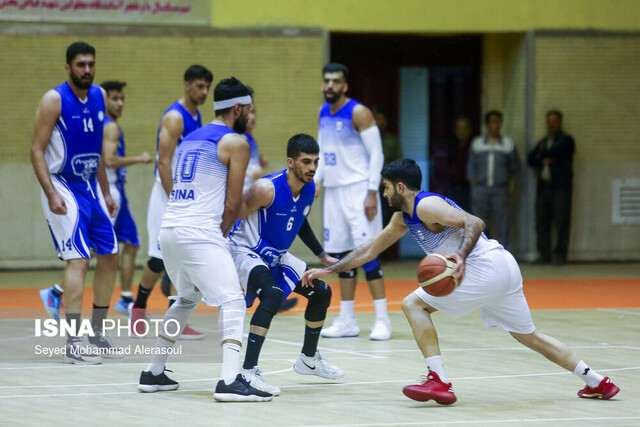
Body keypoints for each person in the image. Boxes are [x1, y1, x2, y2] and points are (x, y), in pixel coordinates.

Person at [303, 158, 620, 404]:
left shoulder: (426, 205)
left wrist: (461, 256)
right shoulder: (403, 218)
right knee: (531, 337)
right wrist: (329, 269)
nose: (383, 194)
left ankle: (438, 379)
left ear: (400, 187)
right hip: (503, 268)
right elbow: (371, 249)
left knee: (413, 304)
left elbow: (475, 222)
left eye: (385, 188)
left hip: (483, 265)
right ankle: (598, 382)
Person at [137, 77, 272, 402]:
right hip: (199, 232)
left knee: (185, 299)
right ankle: (229, 381)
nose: (250, 116)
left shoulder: (191, 138)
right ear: (237, 108)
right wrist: (222, 237)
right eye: (249, 110)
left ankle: (153, 372)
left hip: (169, 229)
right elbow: (232, 203)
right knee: (233, 300)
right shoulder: (236, 143)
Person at [229, 134, 344, 396]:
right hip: (245, 250)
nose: (312, 167)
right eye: (306, 161)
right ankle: (247, 371)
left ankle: (308, 359)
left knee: (321, 291)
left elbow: (300, 218)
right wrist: (221, 257)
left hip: (275, 255)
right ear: (290, 162)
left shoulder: (312, 188)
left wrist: (322, 255)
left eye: (316, 161)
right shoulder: (265, 188)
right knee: (272, 294)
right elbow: (234, 213)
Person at [31, 42, 120, 364]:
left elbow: (96, 149)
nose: (87, 69)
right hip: (61, 184)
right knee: (79, 260)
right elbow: (36, 150)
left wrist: (106, 192)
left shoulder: (98, 95)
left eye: (91, 64)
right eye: (80, 64)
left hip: (89, 185)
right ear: (68, 68)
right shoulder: (54, 99)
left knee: (110, 255)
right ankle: (73, 342)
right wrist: (51, 192)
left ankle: (96, 332)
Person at [39, 81, 153, 319]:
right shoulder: (108, 127)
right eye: (115, 98)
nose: (120, 103)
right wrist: (139, 159)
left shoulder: (104, 123)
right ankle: (59, 293)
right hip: (97, 188)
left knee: (118, 248)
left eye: (123, 99)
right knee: (89, 252)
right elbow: (108, 160)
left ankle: (121, 299)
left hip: (104, 190)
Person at [130, 65, 213, 340]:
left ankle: (174, 319)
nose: (204, 92)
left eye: (206, 87)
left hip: (183, 195)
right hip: (167, 195)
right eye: (199, 86)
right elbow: (163, 161)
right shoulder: (175, 117)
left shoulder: (196, 115)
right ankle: (138, 308)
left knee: (182, 255)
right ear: (187, 85)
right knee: (159, 257)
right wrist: (175, 197)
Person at [315, 63, 391, 340]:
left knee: (366, 254)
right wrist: (316, 181)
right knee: (341, 258)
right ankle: (347, 320)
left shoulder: (359, 112)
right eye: (326, 81)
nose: (330, 86)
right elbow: (322, 152)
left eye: (335, 81)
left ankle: (382, 320)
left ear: (345, 86)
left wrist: (372, 191)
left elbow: (377, 155)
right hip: (334, 192)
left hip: (358, 191)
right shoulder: (323, 112)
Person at [527, 110, 575, 265]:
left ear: (560, 123)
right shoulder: (542, 142)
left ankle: (560, 255)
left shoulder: (566, 140)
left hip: (560, 188)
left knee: (561, 222)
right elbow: (531, 159)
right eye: (549, 121)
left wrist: (546, 156)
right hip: (544, 188)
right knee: (541, 221)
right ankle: (544, 254)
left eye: (554, 121)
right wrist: (546, 157)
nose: (551, 124)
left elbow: (559, 152)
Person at [467, 110, 520, 249]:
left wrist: (512, 186)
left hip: (500, 189)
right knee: (479, 224)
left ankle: (504, 255)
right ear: (487, 124)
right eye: (492, 122)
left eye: (498, 122)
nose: (495, 125)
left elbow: (514, 167)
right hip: (481, 188)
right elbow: (471, 166)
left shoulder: (508, 144)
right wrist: (474, 185)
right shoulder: (477, 143)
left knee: (503, 223)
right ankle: (481, 254)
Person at [446, 117, 473, 212]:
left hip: (468, 188)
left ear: (469, 130)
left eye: (465, 128)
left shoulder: (473, 147)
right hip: (453, 187)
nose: (462, 132)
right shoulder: (450, 146)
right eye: (459, 128)